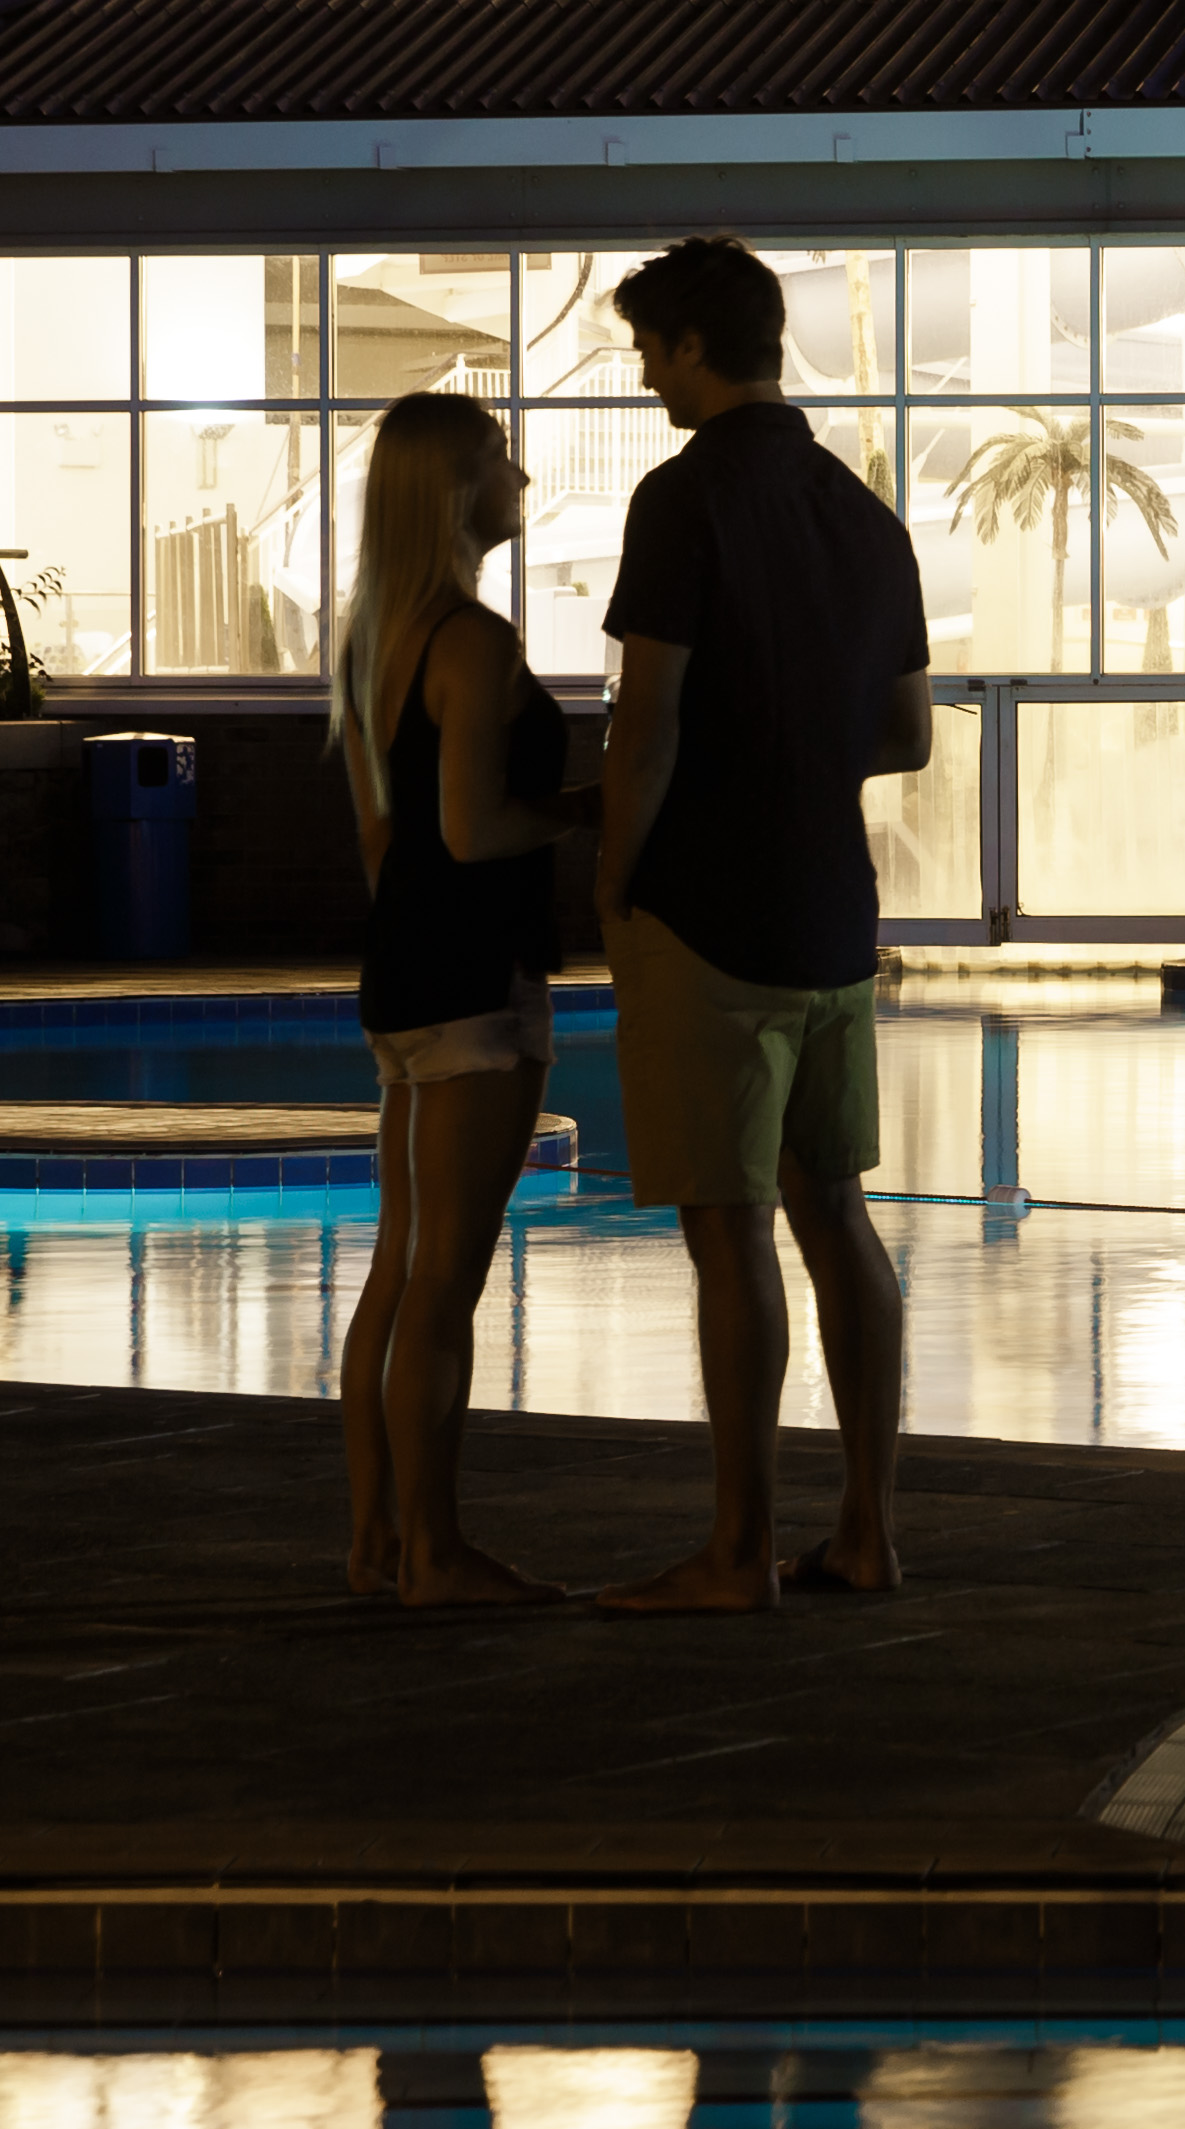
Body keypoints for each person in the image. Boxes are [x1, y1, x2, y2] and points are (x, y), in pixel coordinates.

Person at [589, 236, 932, 1614]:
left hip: (708, 912)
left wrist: (614, 878)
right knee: (837, 1216)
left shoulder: (681, 501)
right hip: (830, 914)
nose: (642, 374)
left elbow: (645, 719)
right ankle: (865, 1531)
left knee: (725, 1232)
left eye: (643, 350)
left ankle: (736, 1550)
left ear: (686, 347)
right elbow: (903, 734)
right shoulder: (863, 514)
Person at [327, 390, 580, 1608]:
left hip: (406, 975)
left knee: (397, 1268)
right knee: (446, 1279)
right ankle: (434, 1550)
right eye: (497, 459)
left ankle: (378, 1533)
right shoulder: (471, 641)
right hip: (479, 977)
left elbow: (389, 842)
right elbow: (475, 827)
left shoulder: (378, 634)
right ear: (453, 494)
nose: (521, 475)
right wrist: (593, 811)